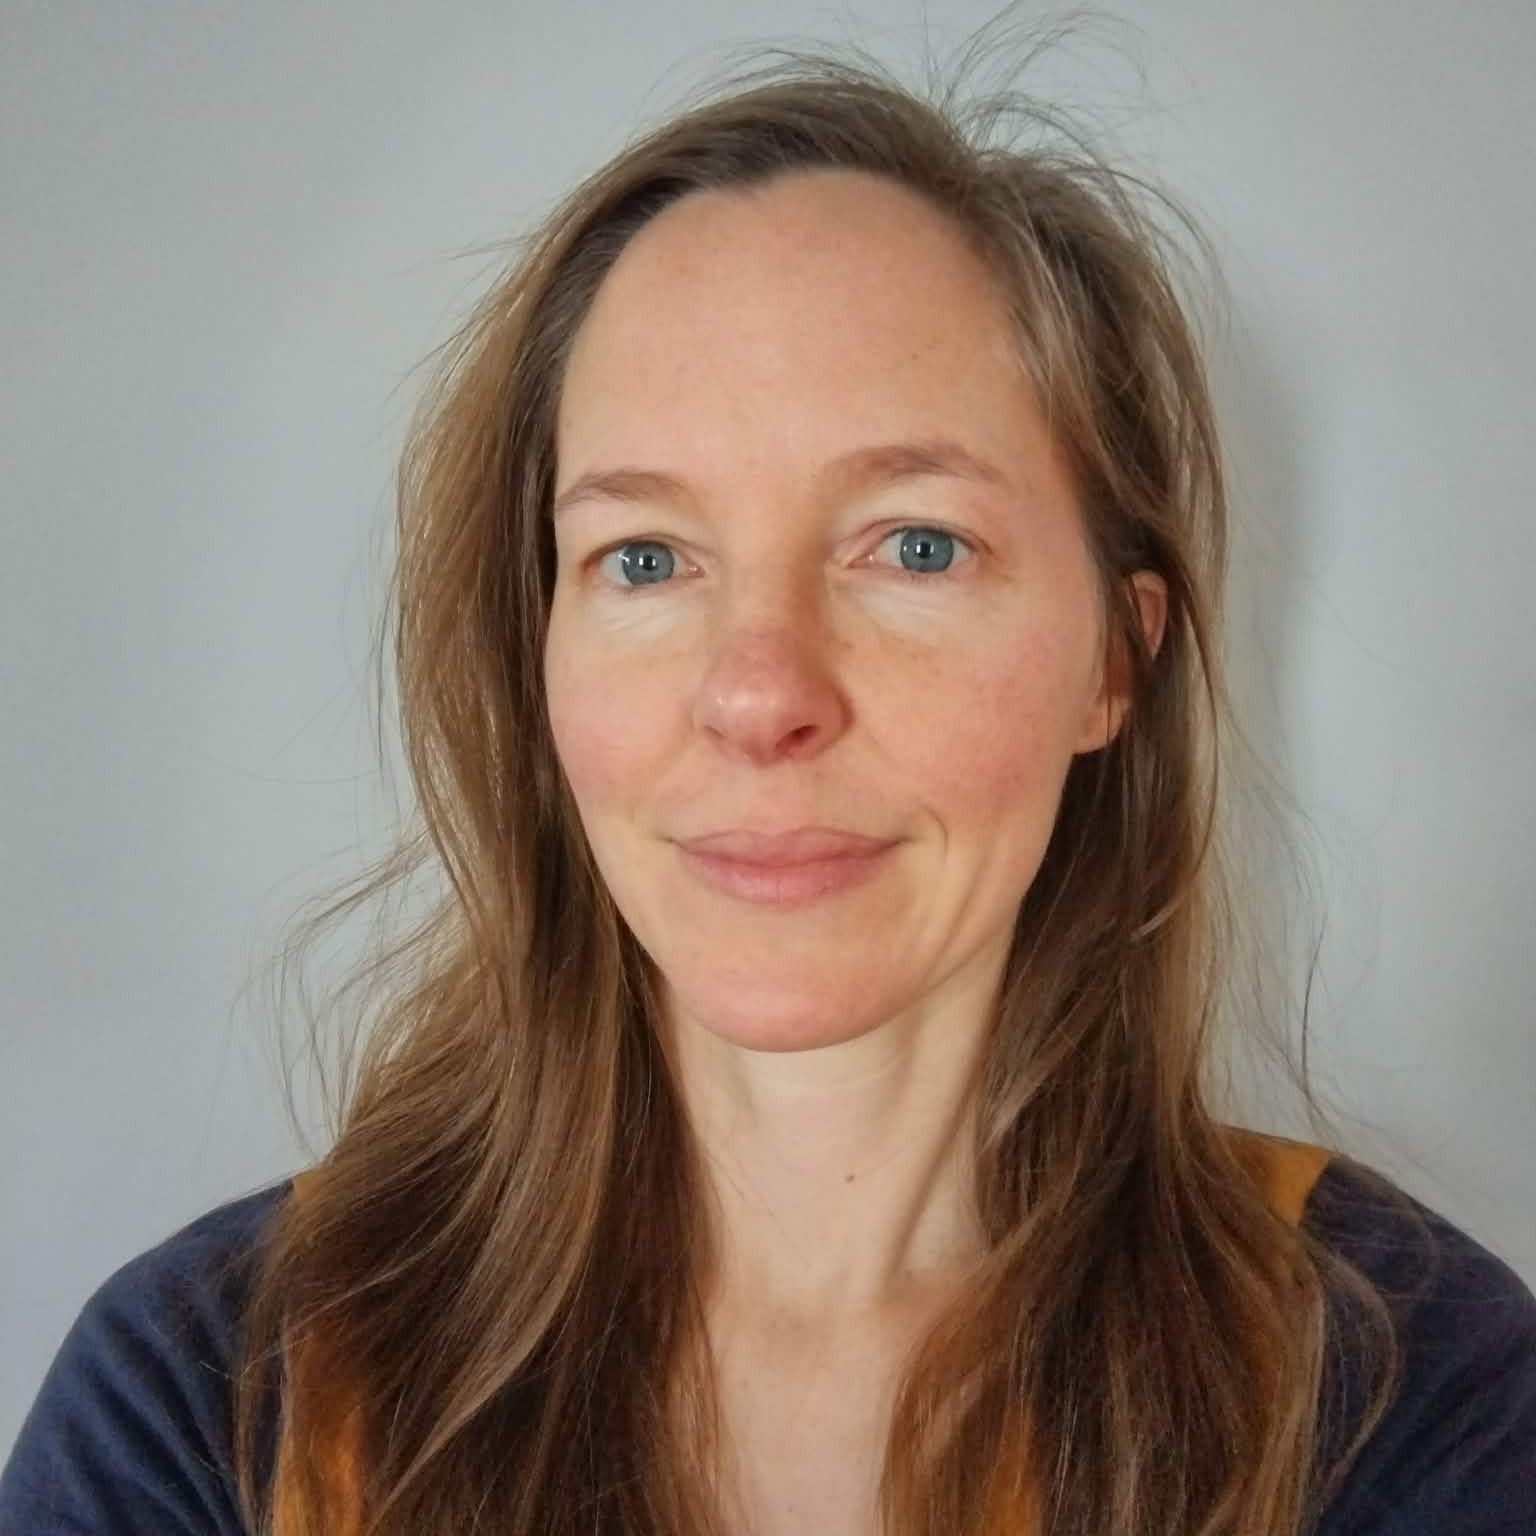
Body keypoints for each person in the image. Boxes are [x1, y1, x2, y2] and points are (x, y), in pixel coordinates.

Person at [3, 34, 1534, 1536]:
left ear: (1114, 662)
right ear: (537, 652)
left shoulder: (1406, 1395)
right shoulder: (208, 1403)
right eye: (644, 559)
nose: (758, 694)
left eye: (916, 547)